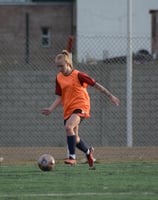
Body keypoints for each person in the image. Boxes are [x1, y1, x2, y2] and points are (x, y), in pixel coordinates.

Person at [42, 50, 120, 167]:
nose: (59, 69)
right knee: (75, 137)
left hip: (81, 105)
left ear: (68, 63)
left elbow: (96, 85)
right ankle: (88, 152)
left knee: (68, 127)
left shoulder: (79, 75)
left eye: (61, 66)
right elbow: (60, 96)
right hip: (68, 108)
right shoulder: (59, 77)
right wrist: (51, 109)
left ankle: (72, 158)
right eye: (57, 66)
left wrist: (110, 96)